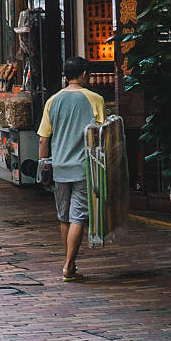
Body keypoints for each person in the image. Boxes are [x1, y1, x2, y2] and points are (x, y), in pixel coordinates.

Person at [38, 57, 107, 283]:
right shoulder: (95, 99)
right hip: (83, 167)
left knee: (64, 217)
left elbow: (43, 139)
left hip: (59, 167)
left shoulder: (53, 101)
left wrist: (44, 165)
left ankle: (70, 261)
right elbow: (102, 136)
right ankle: (68, 266)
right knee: (79, 217)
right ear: (85, 74)